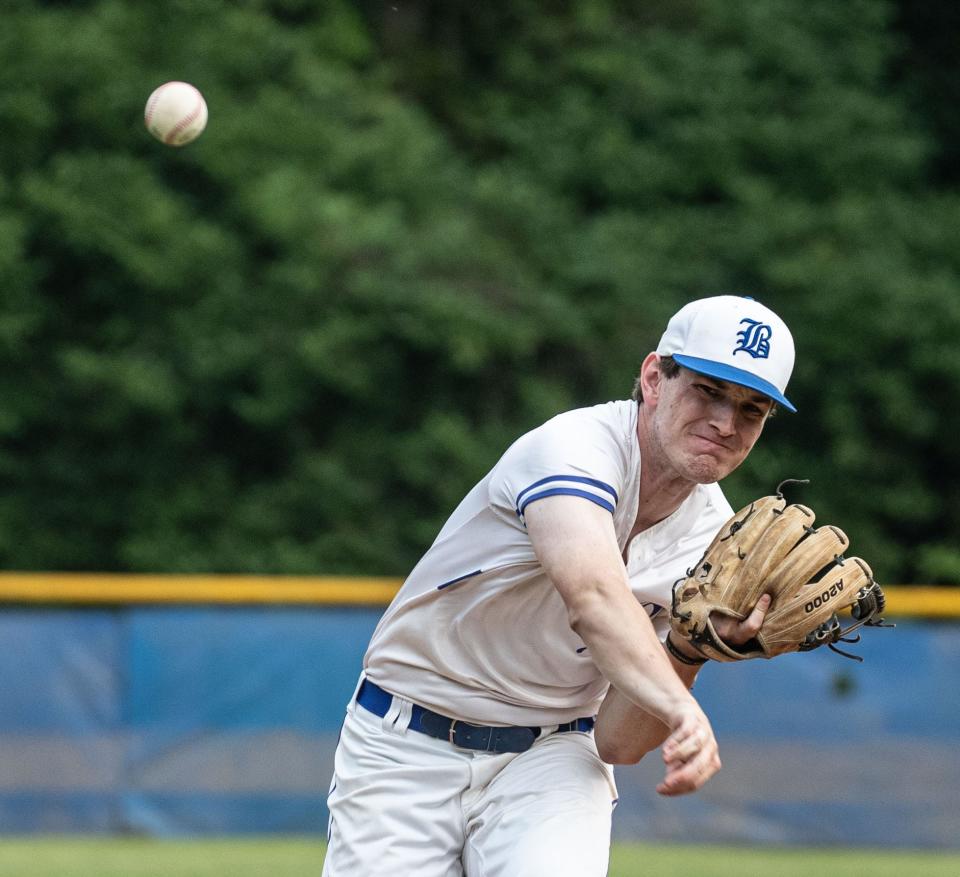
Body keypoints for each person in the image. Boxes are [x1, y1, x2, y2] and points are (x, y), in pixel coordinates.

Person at [323, 294, 797, 876]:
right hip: (407, 738)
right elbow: (593, 597)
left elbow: (618, 745)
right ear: (655, 378)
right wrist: (682, 710)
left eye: (752, 410)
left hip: (554, 754)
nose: (725, 423)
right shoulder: (573, 449)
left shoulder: (717, 545)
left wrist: (690, 649)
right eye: (708, 390)